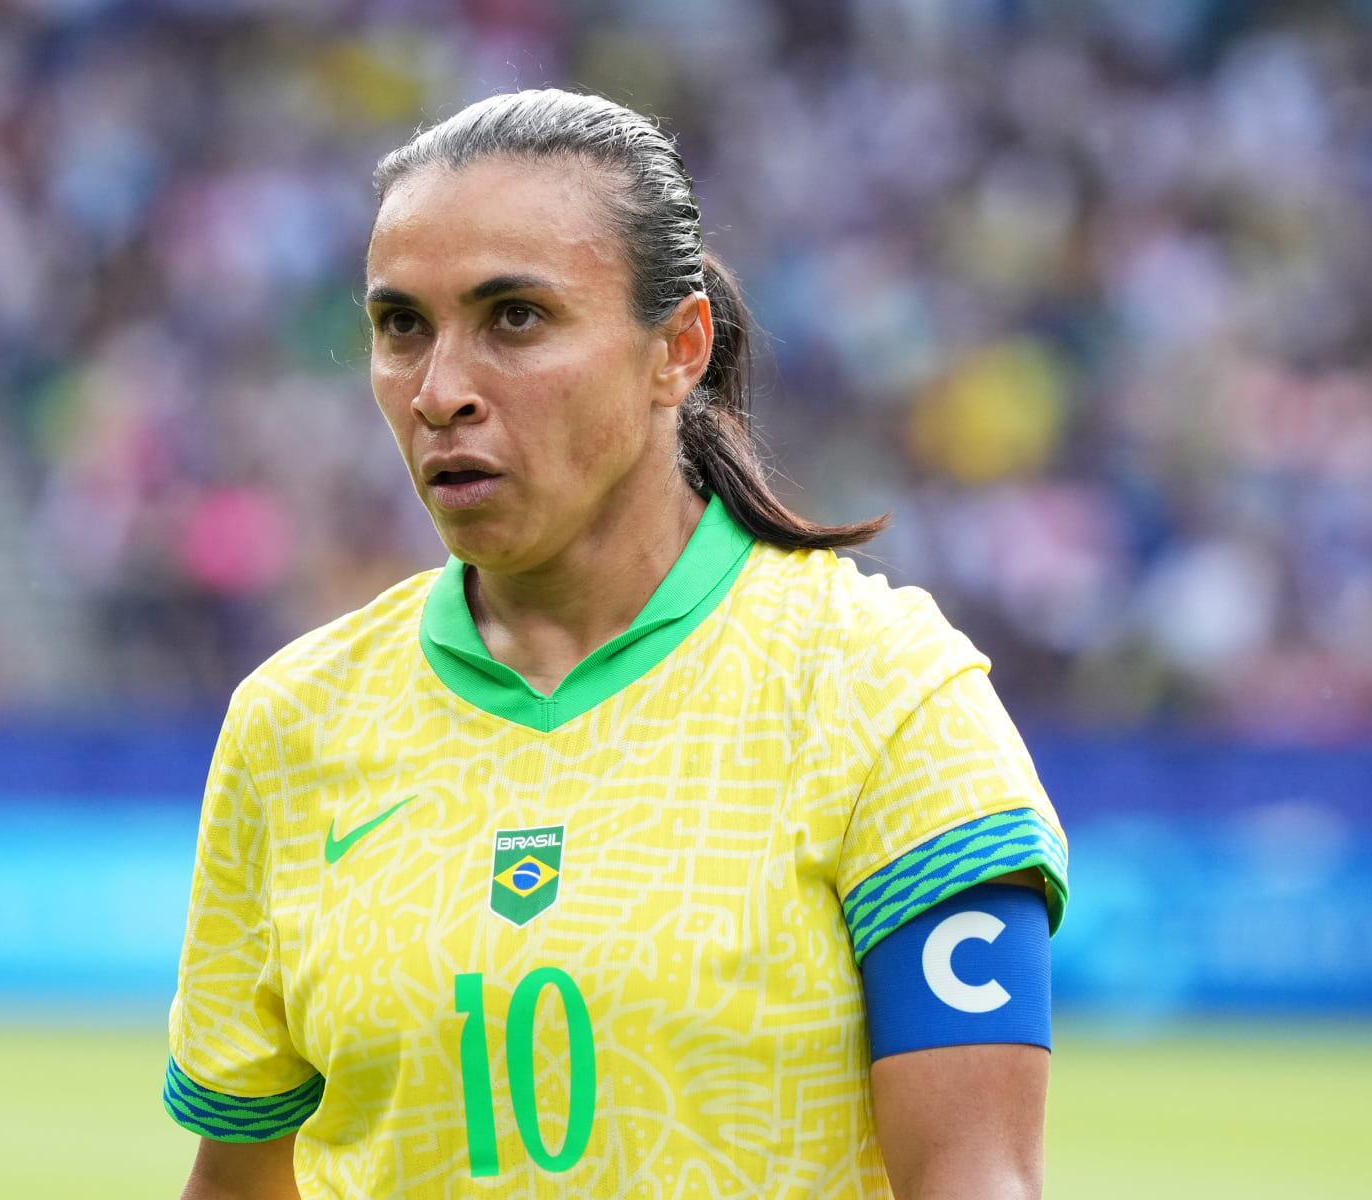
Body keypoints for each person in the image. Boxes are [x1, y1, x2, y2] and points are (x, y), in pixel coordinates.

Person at [164, 88, 1069, 1200]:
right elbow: (240, 1183)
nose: (441, 391)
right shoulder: (290, 724)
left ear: (677, 350)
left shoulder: (887, 694)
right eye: (402, 326)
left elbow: (975, 1182)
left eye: (516, 318)